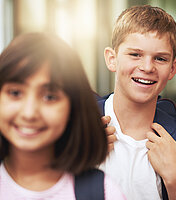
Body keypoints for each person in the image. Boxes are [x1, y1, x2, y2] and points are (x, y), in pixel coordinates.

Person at [99, 5, 176, 200]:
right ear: (112, 59)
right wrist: (78, 159)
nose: (147, 67)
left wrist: (175, 177)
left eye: (160, 59)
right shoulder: (79, 133)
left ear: (173, 68)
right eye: (135, 54)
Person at [0, 32, 125, 199]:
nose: (29, 113)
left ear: (73, 107)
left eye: (49, 97)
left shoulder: (103, 192)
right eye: (15, 93)